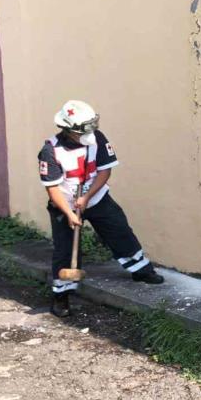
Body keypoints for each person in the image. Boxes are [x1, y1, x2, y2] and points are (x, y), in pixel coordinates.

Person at [38, 100, 164, 318]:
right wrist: (69, 213)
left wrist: (86, 197)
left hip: (96, 198)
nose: (90, 131)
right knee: (64, 250)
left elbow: (105, 171)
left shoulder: (97, 138)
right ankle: (61, 296)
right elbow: (52, 189)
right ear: (69, 129)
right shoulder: (50, 151)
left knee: (119, 230)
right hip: (64, 205)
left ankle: (141, 270)